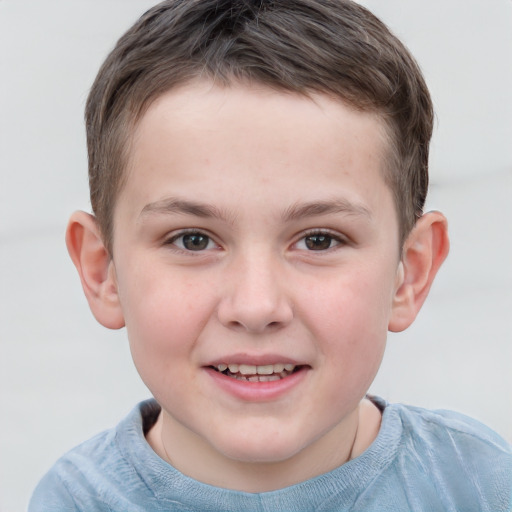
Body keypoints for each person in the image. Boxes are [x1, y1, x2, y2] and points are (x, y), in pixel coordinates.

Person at [29, 0, 512, 510]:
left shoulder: (479, 485)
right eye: (193, 240)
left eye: (319, 240)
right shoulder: (73, 501)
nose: (256, 307)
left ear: (408, 274)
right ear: (103, 272)